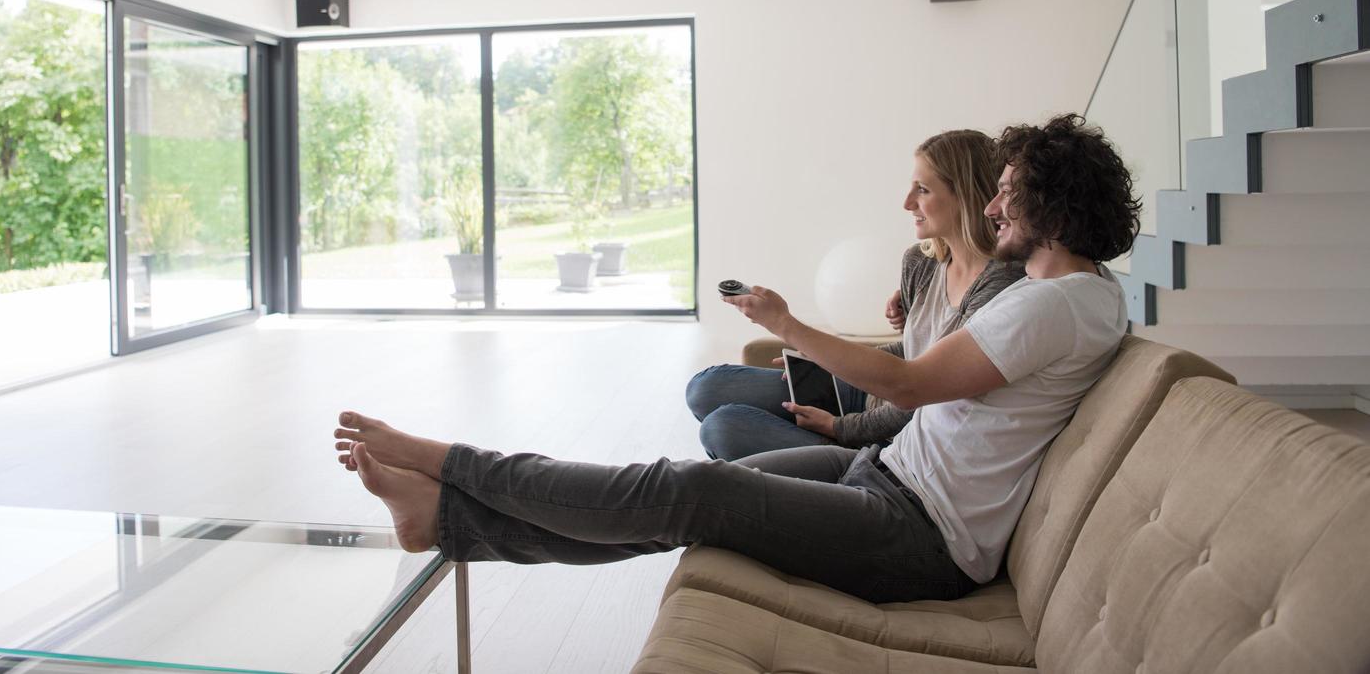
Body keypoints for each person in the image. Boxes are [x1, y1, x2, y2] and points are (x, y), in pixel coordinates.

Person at [333, 114, 1139, 603]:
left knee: (683, 487)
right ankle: (443, 518)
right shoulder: (1081, 296)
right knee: (671, 499)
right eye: (993, 188)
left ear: (1052, 205)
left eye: (1009, 189)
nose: (995, 203)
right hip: (891, 477)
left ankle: (449, 465)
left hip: (919, 536)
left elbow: (905, 382)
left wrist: (786, 322)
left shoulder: (1052, 303)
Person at [685, 129, 1024, 460]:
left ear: (965, 196)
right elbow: (910, 352)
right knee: (706, 387)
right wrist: (829, 360)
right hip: (869, 394)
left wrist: (840, 427)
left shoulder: (999, 286)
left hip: (893, 436)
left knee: (722, 428)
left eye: (922, 190)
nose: (907, 203)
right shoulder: (921, 262)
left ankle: (831, 462)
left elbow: (923, 392)